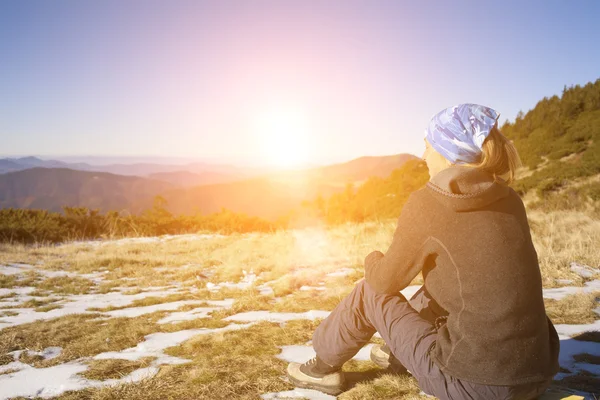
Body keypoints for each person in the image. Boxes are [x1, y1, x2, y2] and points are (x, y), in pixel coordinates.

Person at [285, 104, 560, 399]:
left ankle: (321, 369)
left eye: (427, 145)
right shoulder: (508, 198)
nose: (423, 155)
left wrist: (371, 259)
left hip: (473, 384)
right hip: (536, 373)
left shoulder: (431, 201)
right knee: (435, 288)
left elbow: (382, 283)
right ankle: (397, 351)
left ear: (446, 151)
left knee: (368, 293)